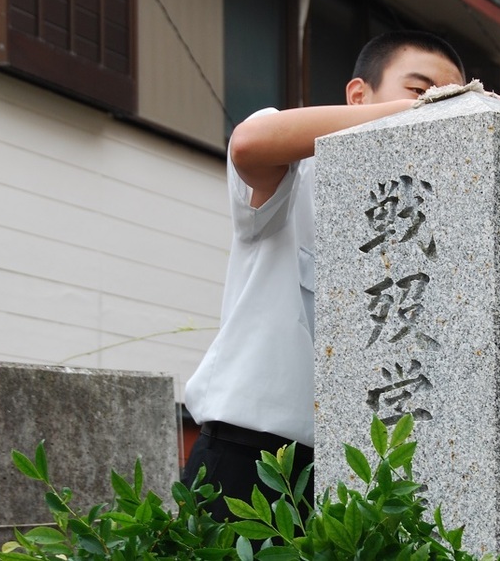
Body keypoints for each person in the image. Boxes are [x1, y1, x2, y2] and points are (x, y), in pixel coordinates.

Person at [182, 31, 466, 520]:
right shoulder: (299, 170)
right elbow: (250, 143)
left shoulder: (432, 221)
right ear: (359, 95)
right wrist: (423, 113)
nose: (437, 105)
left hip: (359, 480)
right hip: (248, 462)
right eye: (420, 90)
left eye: (452, 97)